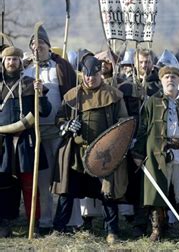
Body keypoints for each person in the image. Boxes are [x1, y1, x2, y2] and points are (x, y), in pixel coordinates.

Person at [51, 56, 129, 244]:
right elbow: (59, 119)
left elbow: (123, 122)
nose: (90, 79)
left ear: (100, 74)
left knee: (107, 194)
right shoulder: (72, 95)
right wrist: (67, 125)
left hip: (103, 155)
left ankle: (112, 231)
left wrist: (112, 144)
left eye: (93, 75)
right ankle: (59, 229)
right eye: (86, 75)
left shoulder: (113, 95)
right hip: (77, 152)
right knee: (67, 192)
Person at [133, 64, 179, 242]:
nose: (170, 80)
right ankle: (158, 230)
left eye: (174, 77)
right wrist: (138, 153)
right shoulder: (152, 101)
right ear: (161, 80)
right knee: (158, 192)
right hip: (158, 154)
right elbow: (143, 129)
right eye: (166, 77)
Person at [23, 26, 78, 234]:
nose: (38, 50)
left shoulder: (60, 67)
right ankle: (45, 221)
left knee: (64, 177)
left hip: (60, 131)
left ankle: (70, 222)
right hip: (36, 132)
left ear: (48, 46)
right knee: (42, 180)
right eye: (34, 47)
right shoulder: (27, 70)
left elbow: (72, 94)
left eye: (42, 46)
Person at [0, 46, 51, 237]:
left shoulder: (31, 83)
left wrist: (41, 95)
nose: (12, 62)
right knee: (3, 185)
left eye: (15, 59)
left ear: (21, 62)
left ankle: (34, 223)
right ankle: (4, 223)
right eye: (8, 59)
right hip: (3, 143)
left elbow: (44, 111)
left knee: (29, 184)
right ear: (3, 62)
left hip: (26, 142)